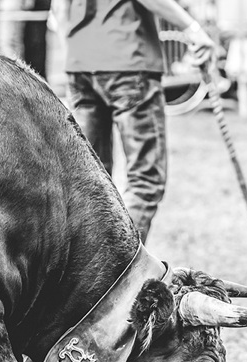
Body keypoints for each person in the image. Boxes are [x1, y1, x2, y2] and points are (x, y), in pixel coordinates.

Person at [51, 0, 215, 242]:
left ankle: (96, 270)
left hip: (81, 62)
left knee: (91, 182)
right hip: (128, 58)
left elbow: (60, 7)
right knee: (144, 180)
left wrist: (74, 50)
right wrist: (193, 29)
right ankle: (119, 269)